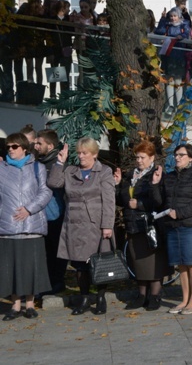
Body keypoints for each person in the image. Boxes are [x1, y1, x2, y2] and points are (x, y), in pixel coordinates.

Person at [47, 137, 116, 315]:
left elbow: (109, 200)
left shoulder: (104, 171)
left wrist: (107, 225)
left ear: (94, 154)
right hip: (74, 225)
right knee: (80, 265)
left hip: (96, 226)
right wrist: (59, 162)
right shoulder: (70, 170)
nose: (81, 156)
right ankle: (84, 298)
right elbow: (54, 183)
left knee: (99, 264)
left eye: (85, 153)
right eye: (78, 153)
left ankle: (100, 297)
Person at [114, 141, 172, 311]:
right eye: (137, 157)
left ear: (152, 158)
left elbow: (159, 200)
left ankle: (154, 296)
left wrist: (139, 204)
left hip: (150, 226)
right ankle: (141, 295)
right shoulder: (131, 175)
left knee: (154, 262)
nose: (139, 160)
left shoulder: (157, 174)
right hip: (132, 224)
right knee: (137, 261)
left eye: (142, 157)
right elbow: (122, 200)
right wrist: (117, 186)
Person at [0, 133, 52, 321]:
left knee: (30, 267)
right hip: (8, 226)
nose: (10, 150)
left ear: (24, 148)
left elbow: (45, 192)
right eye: (8, 147)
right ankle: (15, 306)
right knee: (11, 267)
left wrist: (29, 210)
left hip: (32, 225)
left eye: (14, 147)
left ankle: (30, 304)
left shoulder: (38, 168)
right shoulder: (1, 168)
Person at [151, 144, 192, 314]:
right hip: (172, 226)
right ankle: (184, 300)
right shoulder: (169, 177)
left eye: (182, 155)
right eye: (176, 154)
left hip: (190, 225)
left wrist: (180, 213)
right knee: (181, 265)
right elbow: (160, 202)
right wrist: (155, 184)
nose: (177, 157)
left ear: (191, 157)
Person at [33, 129, 67, 294]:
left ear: (51, 145)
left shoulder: (59, 163)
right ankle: (44, 284)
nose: (36, 145)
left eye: (40, 143)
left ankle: (57, 283)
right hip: (39, 215)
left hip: (55, 215)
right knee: (44, 252)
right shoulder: (38, 162)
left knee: (55, 251)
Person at [154, 7, 190, 115]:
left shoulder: (184, 24)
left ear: (179, 16)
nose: (173, 18)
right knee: (169, 79)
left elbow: (187, 33)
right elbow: (158, 31)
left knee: (178, 80)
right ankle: (170, 104)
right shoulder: (167, 25)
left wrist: (181, 36)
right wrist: (162, 19)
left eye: (175, 16)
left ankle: (179, 104)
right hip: (168, 55)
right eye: (171, 16)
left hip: (179, 55)